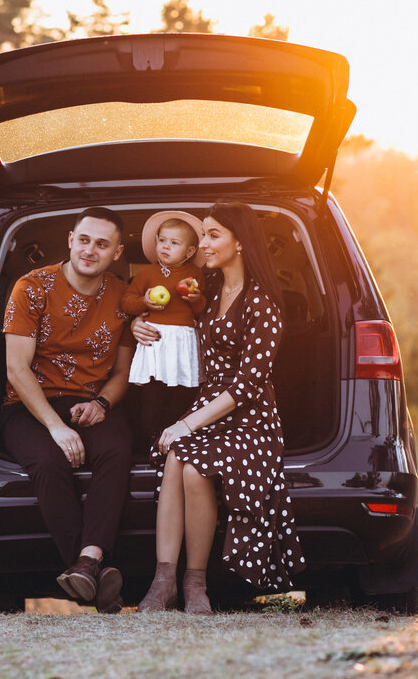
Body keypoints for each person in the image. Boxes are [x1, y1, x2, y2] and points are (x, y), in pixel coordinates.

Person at [132, 201, 304, 614]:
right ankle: (164, 580)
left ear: (240, 242)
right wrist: (138, 322)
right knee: (175, 458)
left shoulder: (262, 301)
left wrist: (187, 424)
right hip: (209, 405)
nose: (204, 244)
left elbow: (248, 384)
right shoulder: (206, 293)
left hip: (251, 417)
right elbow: (174, 322)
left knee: (193, 467)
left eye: (213, 235)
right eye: (204, 235)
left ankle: (195, 584)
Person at [1, 207, 135, 614]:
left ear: (116, 252)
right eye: (84, 239)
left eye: (102, 244)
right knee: (47, 461)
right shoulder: (32, 287)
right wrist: (56, 428)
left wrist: (102, 403)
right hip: (28, 404)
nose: (90, 250)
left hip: (90, 403)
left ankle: (87, 563)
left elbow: (123, 372)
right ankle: (96, 571)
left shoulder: (124, 295)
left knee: (116, 452)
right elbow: (15, 368)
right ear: (70, 240)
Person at [120, 211, 207, 445]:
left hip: (182, 343)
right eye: (162, 240)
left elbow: (201, 310)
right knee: (153, 395)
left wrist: (195, 298)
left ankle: (177, 437)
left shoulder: (194, 274)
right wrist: (144, 302)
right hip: (156, 341)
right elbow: (127, 302)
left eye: (174, 243)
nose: (165, 246)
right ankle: (151, 437)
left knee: (181, 393)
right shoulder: (146, 273)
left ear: (190, 252)